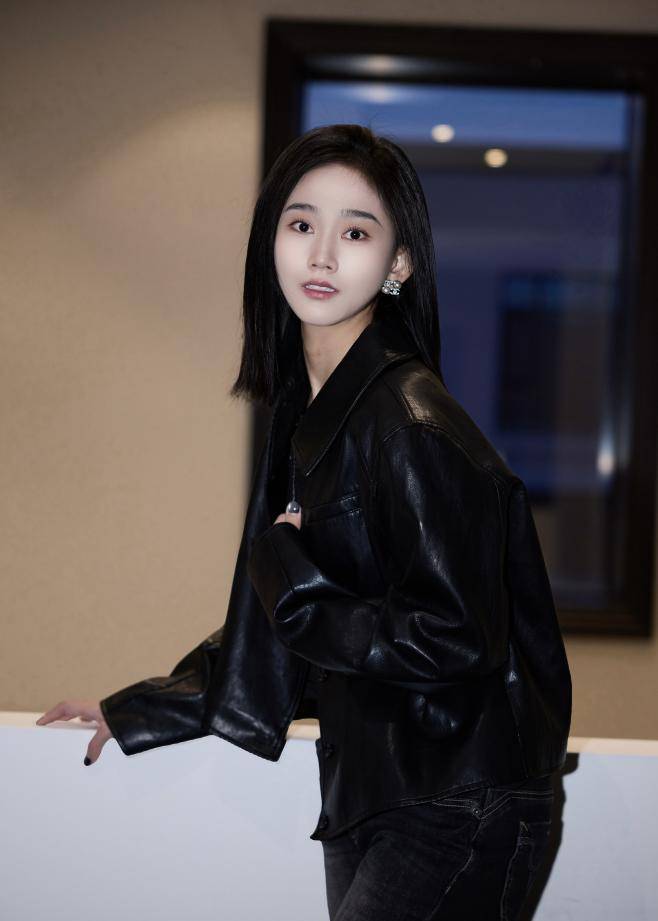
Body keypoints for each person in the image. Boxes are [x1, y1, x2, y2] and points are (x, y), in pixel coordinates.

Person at [36, 123, 572, 920]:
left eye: (355, 232)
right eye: (300, 224)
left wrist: (294, 586)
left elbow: (453, 635)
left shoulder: (410, 421)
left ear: (398, 263)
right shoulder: (316, 413)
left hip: (459, 798)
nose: (321, 255)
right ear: (271, 243)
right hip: (381, 788)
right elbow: (290, 623)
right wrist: (143, 706)